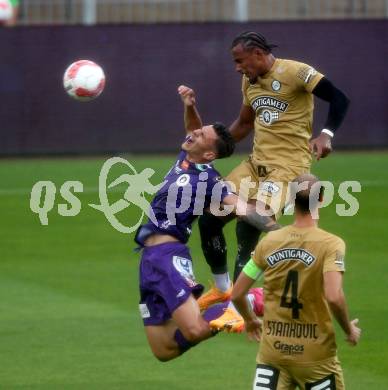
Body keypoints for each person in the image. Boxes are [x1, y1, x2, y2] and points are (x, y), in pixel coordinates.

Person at [197, 31, 350, 311]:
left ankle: (237, 304)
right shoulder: (249, 81)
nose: (237, 68)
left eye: (240, 61)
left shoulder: (296, 72)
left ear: (257, 54)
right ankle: (222, 290)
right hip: (254, 165)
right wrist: (210, 152)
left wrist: (326, 134)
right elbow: (244, 124)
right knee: (209, 219)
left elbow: (339, 98)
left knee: (249, 219)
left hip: (287, 168)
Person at [136, 85, 276, 362]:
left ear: (210, 155)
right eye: (197, 132)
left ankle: (245, 301)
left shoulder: (210, 181)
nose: (193, 133)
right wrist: (189, 105)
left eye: (200, 135)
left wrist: (280, 232)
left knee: (197, 330)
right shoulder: (185, 159)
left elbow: (243, 208)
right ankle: (230, 305)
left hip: (168, 255)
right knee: (164, 350)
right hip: (148, 260)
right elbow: (194, 128)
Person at [231, 174, 361, 389]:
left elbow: (237, 293)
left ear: (290, 200)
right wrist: (349, 329)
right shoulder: (331, 245)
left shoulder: (269, 242)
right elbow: (334, 296)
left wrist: (250, 319)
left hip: (273, 353)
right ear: (322, 198)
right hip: (315, 356)